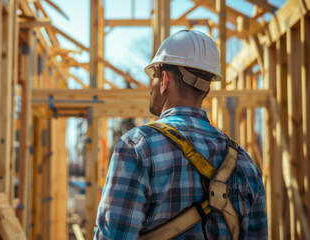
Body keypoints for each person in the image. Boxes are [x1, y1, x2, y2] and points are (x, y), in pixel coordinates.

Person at [94, 29, 267, 239]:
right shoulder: (245, 164)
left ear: (165, 80)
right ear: (206, 91)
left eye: (153, 76)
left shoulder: (138, 147)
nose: (151, 86)